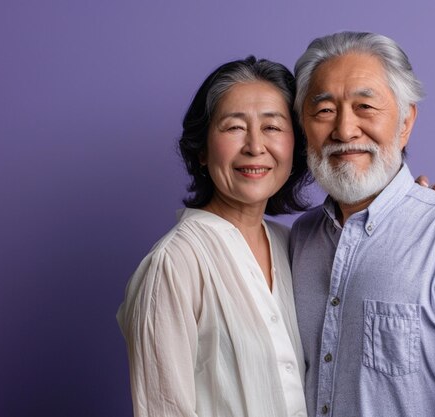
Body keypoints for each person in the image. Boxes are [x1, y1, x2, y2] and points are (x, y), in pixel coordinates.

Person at [289, 31, 435, 416]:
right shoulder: (299, 240)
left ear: (405, 121)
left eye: (365, 106)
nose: (345, 131)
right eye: (325, 110)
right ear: (304, 127)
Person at [117, 56, 312, 417]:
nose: (255, 146)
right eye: (234, 127)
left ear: (295, 146)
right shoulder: (174, 263)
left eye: (272, 127)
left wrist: (412, 212)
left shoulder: (296, 246)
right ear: (202, 150)